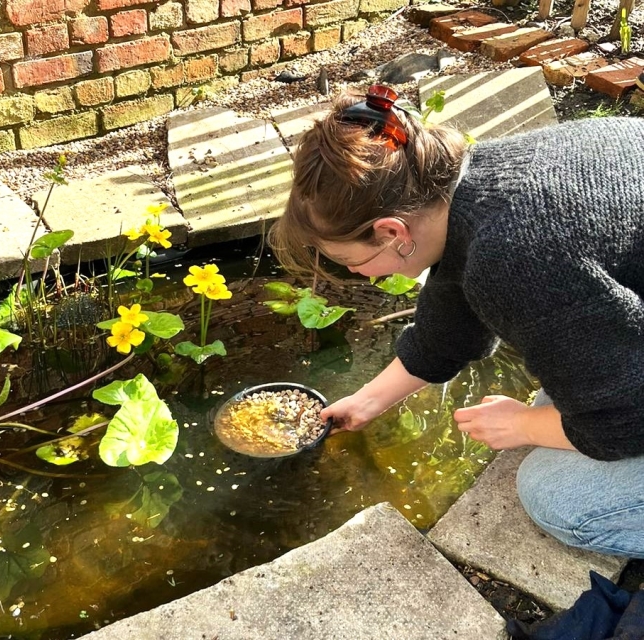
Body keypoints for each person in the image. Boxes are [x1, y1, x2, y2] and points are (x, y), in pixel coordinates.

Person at [268, 84, 644, 558]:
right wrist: (364, 403)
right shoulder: (481, 185)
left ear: (391, 232)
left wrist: (524, 426)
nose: (355, 274)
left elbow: (621, 426)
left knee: (557, 496)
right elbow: (445, 332)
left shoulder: (517, 255)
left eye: (349, 260)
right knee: (569, 397)